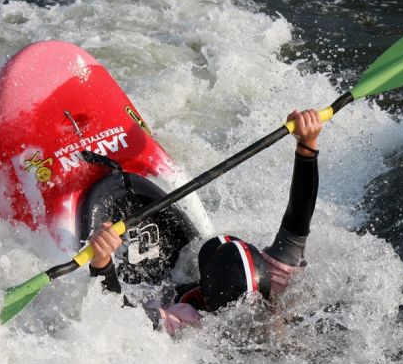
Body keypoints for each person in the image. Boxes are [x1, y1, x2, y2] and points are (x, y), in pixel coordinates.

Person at [87, 109, 322, 334]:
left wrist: (102, 261)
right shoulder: (274, 286)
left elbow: (122, 320)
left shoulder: (187, 324)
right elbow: (297, 224)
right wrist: (307, 145)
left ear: (205, 294)